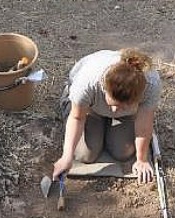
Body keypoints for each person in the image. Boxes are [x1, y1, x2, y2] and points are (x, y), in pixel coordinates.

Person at [52, 49, 161, 184]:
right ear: (104, 88)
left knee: (124, 153)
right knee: (84, 155)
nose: (115, 110)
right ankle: (99, 121)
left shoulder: (151, 85)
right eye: (113, 104)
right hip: (91, 109)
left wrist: (142, 159)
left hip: (127, 115)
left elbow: (144, 124)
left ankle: (109, 125)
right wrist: (66, 157)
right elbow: (77, 118)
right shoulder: (88, 82)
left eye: (122, 106)